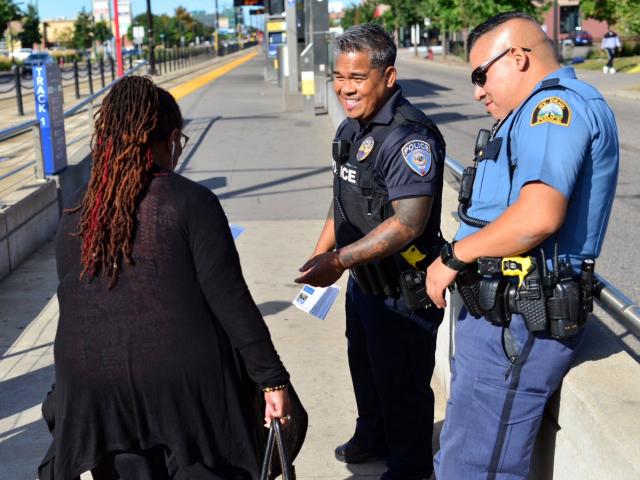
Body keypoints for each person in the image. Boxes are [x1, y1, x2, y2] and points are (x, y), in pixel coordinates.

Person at [39, 76, 293, 480]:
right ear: (171, 139)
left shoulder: (76, 211)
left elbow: (74, 304)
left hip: (94, 391)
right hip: (183, 389)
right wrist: (272, 379)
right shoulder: (192, 202)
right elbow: (230, 301)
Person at [426, 12, 619, 479]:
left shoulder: (552, 109)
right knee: (464, 448)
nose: (477, 91)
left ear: (518, 57)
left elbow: (538, 216)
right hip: (499, 316)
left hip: (516, 320)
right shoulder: (527, 115)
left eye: (481, 75)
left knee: (479, 465)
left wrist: (452, 258)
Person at [295, 23, 446, 480]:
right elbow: (344, 197)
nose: (345, 88)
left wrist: (338, 260)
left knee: (402, 383)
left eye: (357, 78)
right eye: (339, 77)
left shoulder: (409, 137)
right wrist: (320, 253)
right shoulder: (351, 126)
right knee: (364, 365)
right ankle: (372, 435)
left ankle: (410, 466)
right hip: (366, 281)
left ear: (389, 77)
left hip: (404, 287)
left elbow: (408, 222)